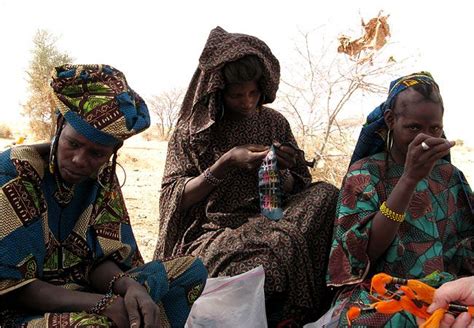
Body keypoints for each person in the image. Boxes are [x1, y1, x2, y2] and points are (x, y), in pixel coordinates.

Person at [153, 26, 339, 325]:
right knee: (267, 258)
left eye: (253, 93)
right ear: (217, 90)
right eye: (237, 95)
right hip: (214, 231)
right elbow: (175, 197)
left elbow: (299, 186)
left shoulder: (274, 122)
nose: (247, 101)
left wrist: (284, 171)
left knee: (327, 194)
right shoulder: (193, 132)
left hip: (272, 218)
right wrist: (224, 164)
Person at [0, 64, 207, 328]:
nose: (79, 160)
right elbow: (13, 287)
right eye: (73, 144)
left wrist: (129, 287)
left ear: (112, 153)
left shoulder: (101, 180)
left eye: (97, 154)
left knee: (190, 271)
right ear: (59, 127)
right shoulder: (16, 171)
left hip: (86, 293)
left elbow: (98, 262)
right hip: (19, 311)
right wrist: (102, 305)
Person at [325, 71, 474, 326]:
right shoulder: (364, 174)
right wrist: (409, 179)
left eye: (434, 128)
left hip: (445, 291)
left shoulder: (450, 177)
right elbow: (362, 254)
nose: (425, 138)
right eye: (414, 127)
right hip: (379, 289)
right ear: (391, 119)